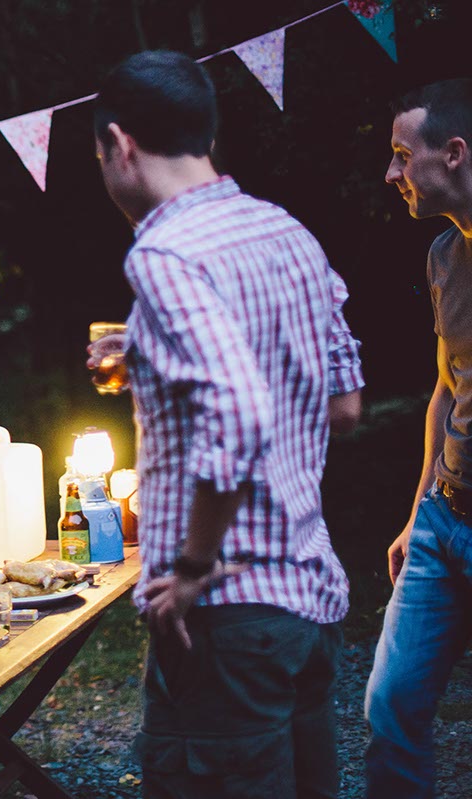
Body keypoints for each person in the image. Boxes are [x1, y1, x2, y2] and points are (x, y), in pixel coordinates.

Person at [86, 50, 364, 798]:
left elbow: (238, 413)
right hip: (305, 597)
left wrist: (194, 566)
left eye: (100, 157)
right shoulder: (285, 232)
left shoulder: (165, 254)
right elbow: (344, 404)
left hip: (222, 616)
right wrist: (143, 351)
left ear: (119, 144)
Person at [366, 78, 472, 798]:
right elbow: (445, 386)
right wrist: (416, 511)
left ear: (455, 153)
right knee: (390, 704)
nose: (392, 173)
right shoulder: (443, 255)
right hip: (443, 515)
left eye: (404, 155)